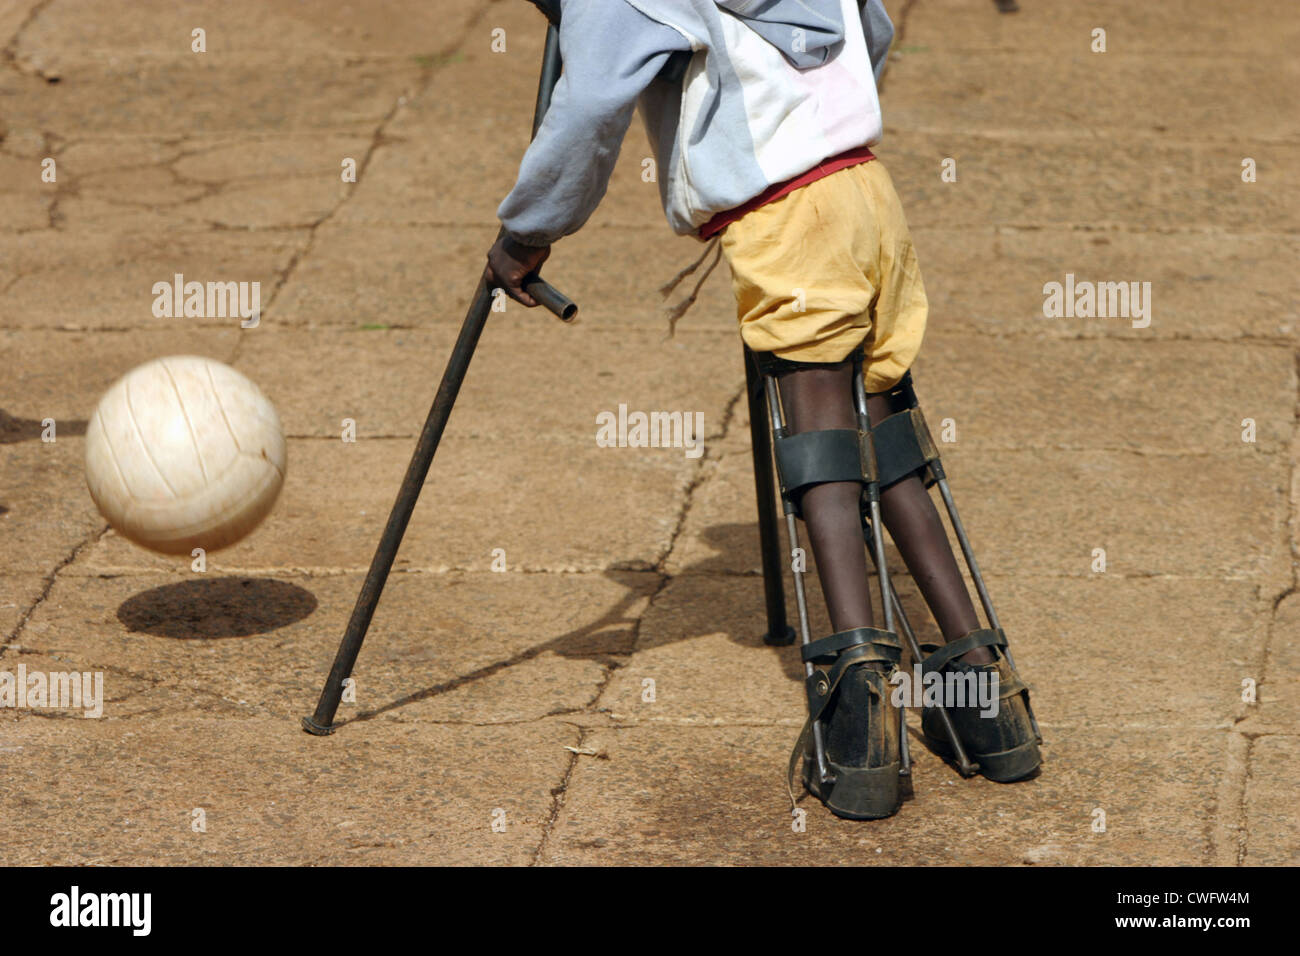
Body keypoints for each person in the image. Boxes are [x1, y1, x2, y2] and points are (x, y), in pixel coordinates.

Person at [485, 0, 1040, 820]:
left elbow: (595, 95)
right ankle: (989, 708)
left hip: (786, 220)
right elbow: (875, 26)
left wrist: (528, 230)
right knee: (889, 445)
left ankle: (860, 733)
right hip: (864, 191)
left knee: (821, 453)